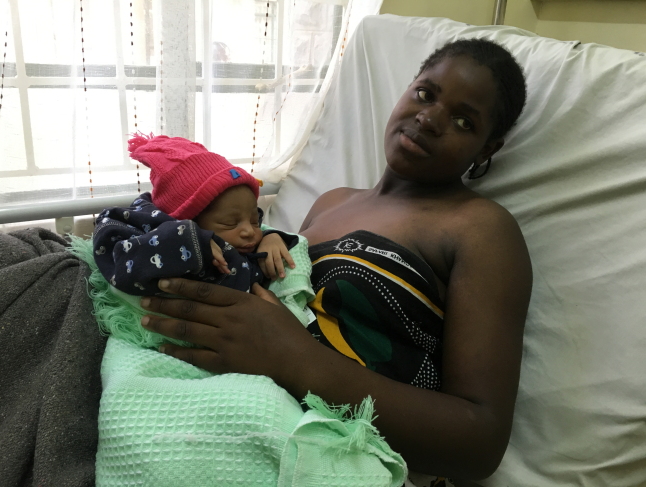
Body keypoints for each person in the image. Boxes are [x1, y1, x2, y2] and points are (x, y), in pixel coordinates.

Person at [136, 38, 533, 482]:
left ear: (486, 149)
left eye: (463, 120)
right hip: (219, 408)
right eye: (426, 93)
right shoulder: (330, 203)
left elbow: (479, 445)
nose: (429, 118)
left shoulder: (480, 229)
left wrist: (293, 357)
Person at [92, 134, 314, 325]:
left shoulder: (243, 241)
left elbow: (269, 246)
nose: (249, 232)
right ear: (187, 221)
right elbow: (119, 262)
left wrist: (272, 238)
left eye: (254, 219)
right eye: (231, 222)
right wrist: (185, 240)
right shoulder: (158, 234)